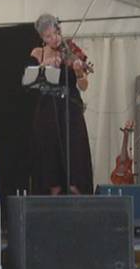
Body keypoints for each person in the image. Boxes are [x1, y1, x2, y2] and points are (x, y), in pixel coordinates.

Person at [30, 13, 93, 195]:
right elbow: (31, 83)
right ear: (42, 37)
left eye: (55, 34)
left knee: (75, 150)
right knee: (50, 151)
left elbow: (84, 86)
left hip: (70, 108)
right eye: (48, 37)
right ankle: (52, 194)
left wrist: (79, 71)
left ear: (59, 30)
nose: (54, 39)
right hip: (48, 109)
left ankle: (77, 194)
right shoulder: (38, 53)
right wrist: (45, 65)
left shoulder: (71, 49)